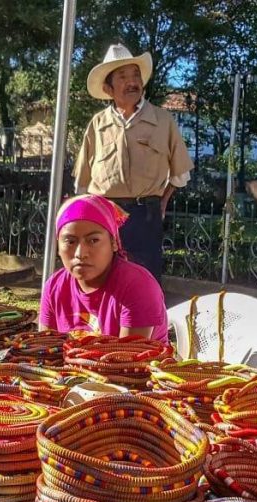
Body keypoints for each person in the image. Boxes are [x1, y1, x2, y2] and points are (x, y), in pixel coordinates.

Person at [73, 44, 193, 283]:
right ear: (109, 87)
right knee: (102, 280)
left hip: (144, 215)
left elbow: (181, 175)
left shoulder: (162, 120)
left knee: (144, 282)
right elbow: (82, 185)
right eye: (123, 77)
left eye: (135, 75)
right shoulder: (97, 124)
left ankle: (146, 322)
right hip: (104, 215)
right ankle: (104, 322)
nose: (132, 82)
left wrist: (161, 202)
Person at [39, 195, 168, 343]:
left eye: (93, 240)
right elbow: (45, 351)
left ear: (114, 242)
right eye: (70, 241)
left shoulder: (138, 286)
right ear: (58, 247)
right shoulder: (54, 287)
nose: (80, 254)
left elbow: (127, 360)